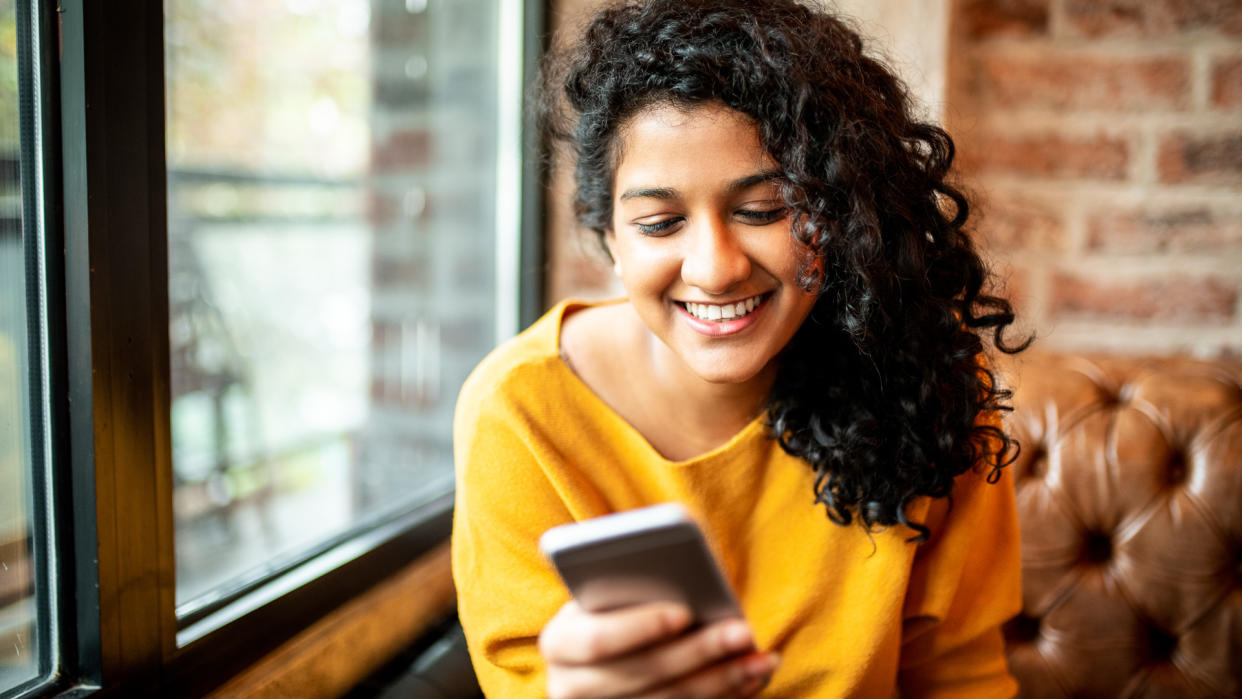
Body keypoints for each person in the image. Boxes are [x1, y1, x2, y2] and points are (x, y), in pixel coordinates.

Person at [452, 0, 1030, 696]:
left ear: (841, 211)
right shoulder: (521, 413)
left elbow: (961, 678)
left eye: (763, 210)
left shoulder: (926, 381)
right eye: (660, 223)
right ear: (611, 237)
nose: (715, 267)